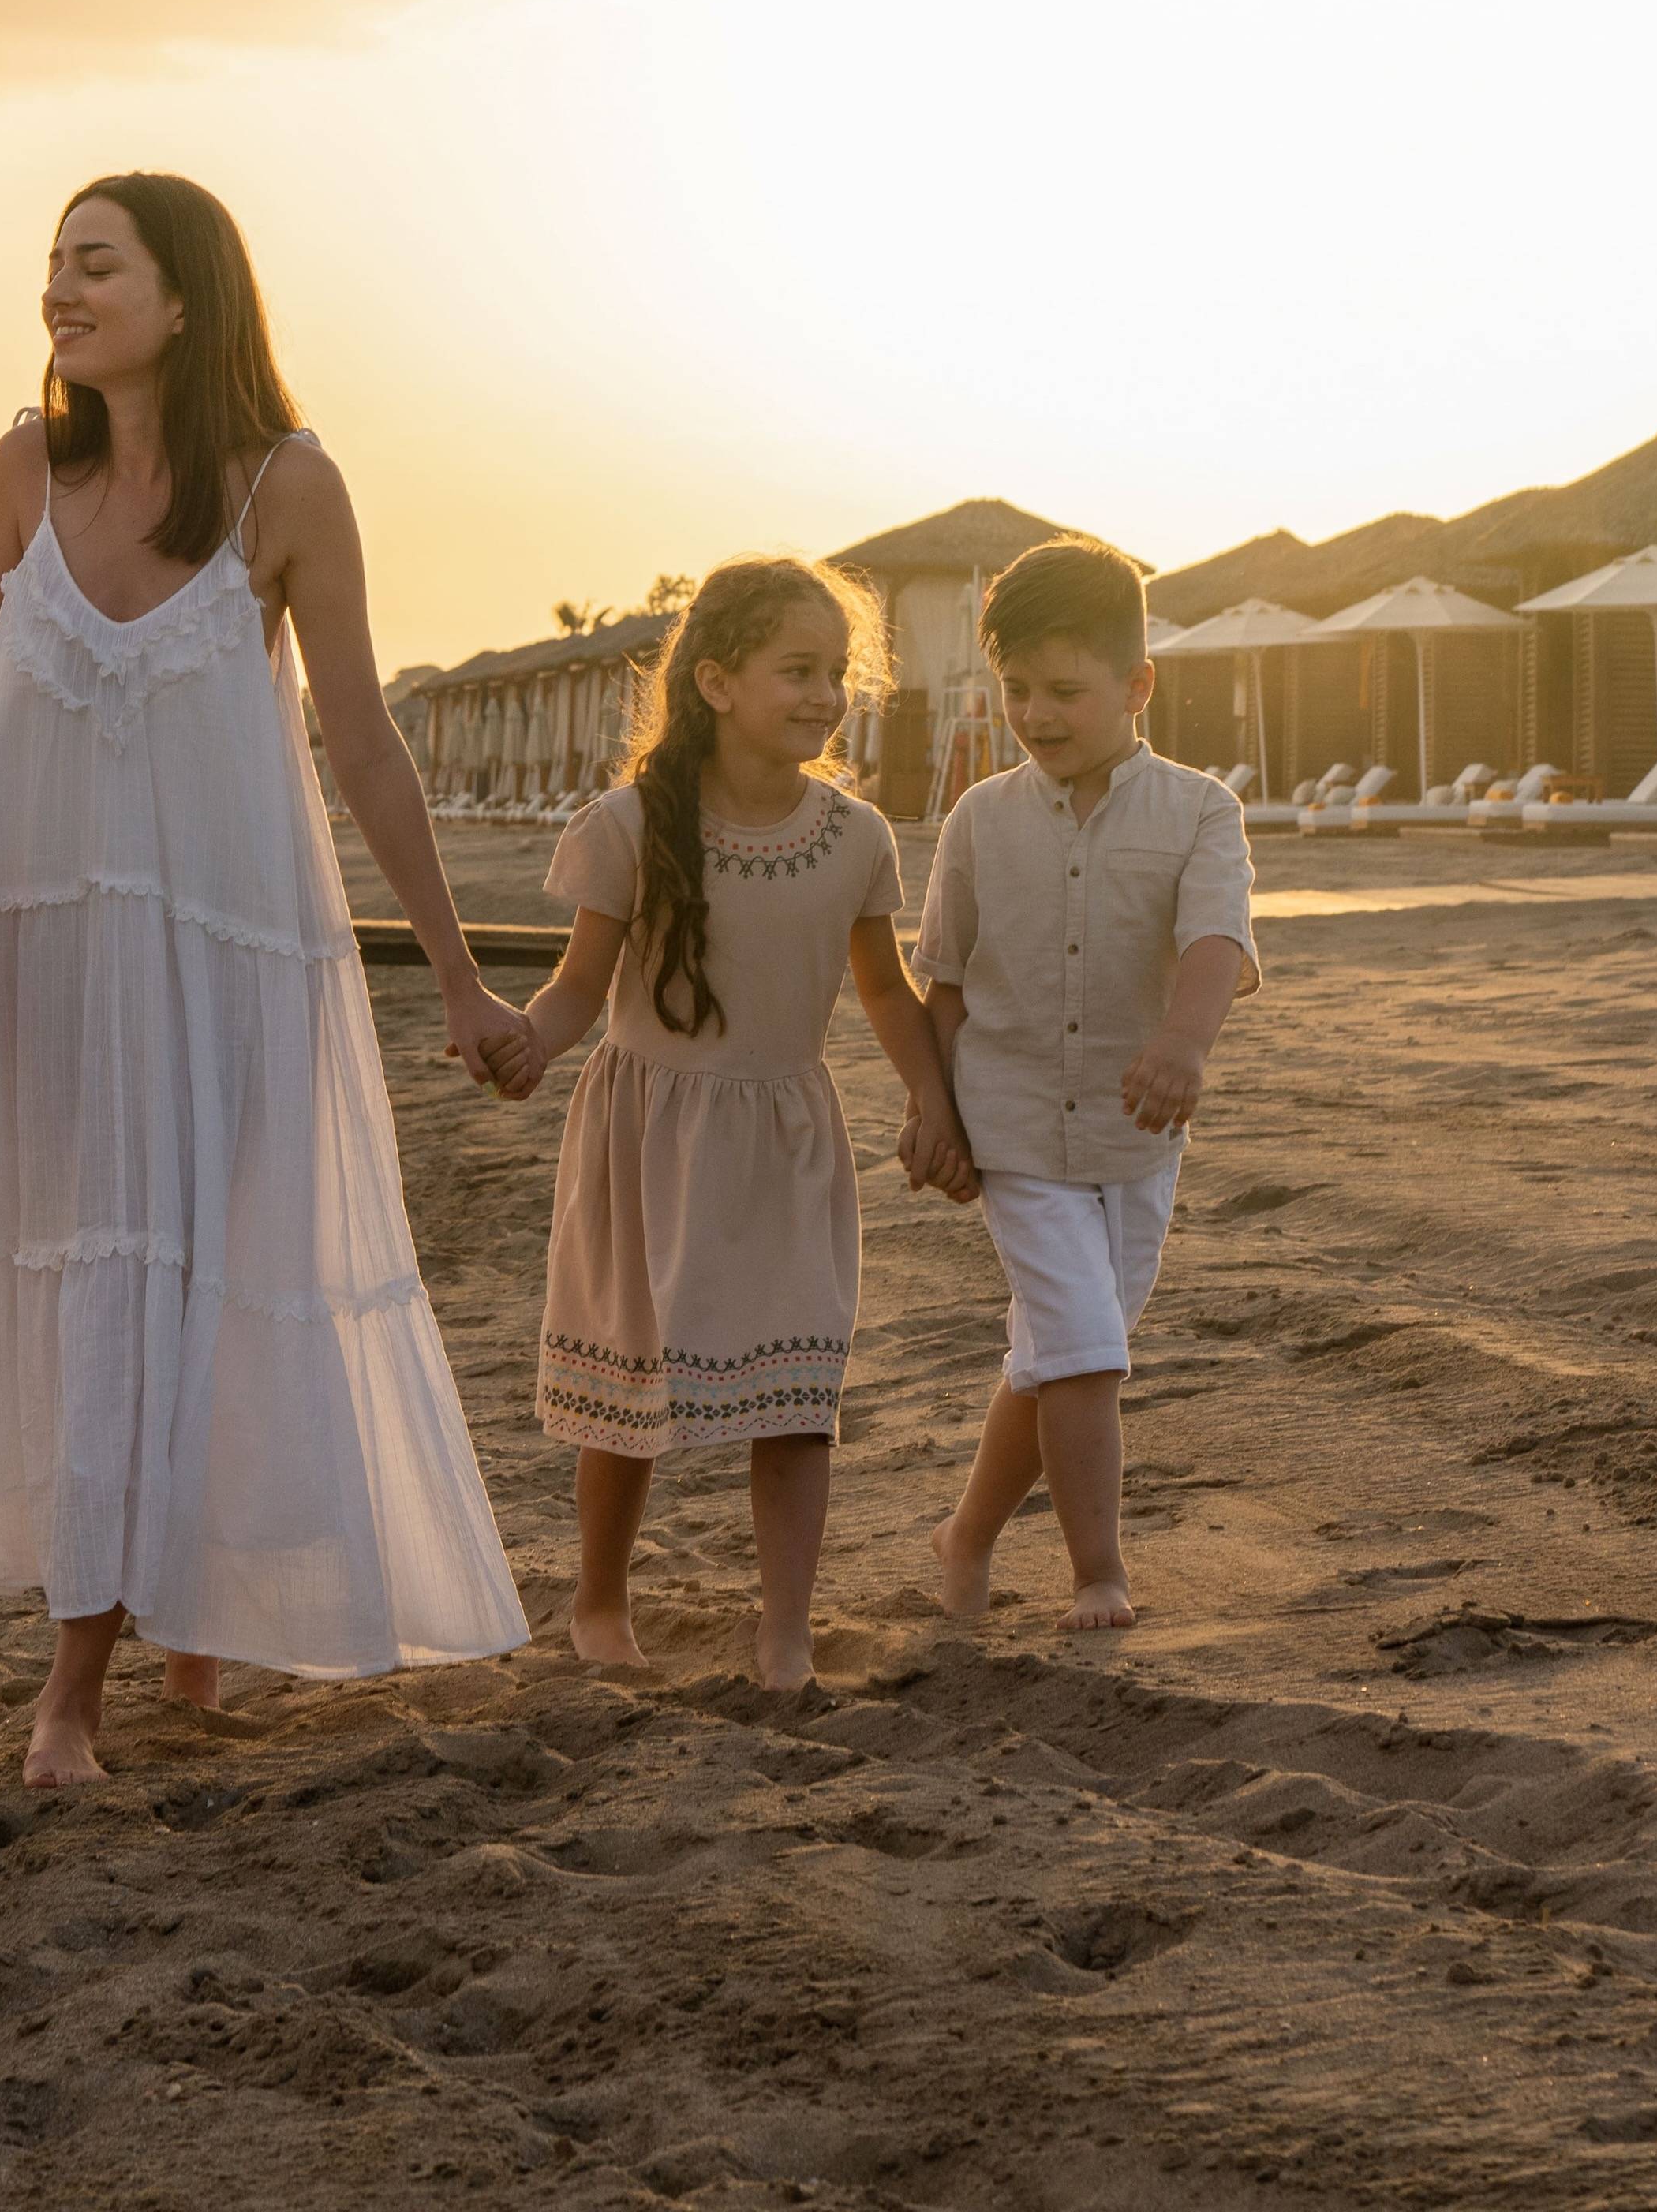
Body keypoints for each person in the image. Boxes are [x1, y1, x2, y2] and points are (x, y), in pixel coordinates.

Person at [0, 173, 534, 1784]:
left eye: (95, 262)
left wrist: (455, 977)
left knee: (202, 1268)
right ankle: (133, 1650)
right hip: (53, 957)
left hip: (229, 948)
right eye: (49, 262)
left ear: (188, 297)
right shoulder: (20, 470)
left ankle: (86, 1689)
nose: (59, 288)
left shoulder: (287, 486)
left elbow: (365, 741)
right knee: (106, 1270)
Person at [496, 556, 952, 1693]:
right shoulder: (628, 827)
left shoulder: (856, 839)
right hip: (647, 1135)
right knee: (629, 1391)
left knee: (799, 1393)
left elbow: (887, 991)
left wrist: (932, 1098)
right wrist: (525, 1043)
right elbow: (576, 988)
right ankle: (601, 1603)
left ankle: (785, 1629)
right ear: (715, 682)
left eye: (835, 673)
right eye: (795, 670)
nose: (822, 695)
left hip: (789, 1137)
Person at [905, 537, 1259, 1632]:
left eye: (1065, 691)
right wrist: (940, 1113)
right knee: (1086, 1345)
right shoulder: (977, 819)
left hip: (1135, 1134)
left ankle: (964, 1535)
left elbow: (1214, 941)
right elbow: (946, 979)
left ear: (1137, 685)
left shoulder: (1202, 811)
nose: (1036, 714)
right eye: (1016, 691)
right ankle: (1098, 1572)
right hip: (1011, 1124)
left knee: (1060, 1350)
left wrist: (1185, 1046)